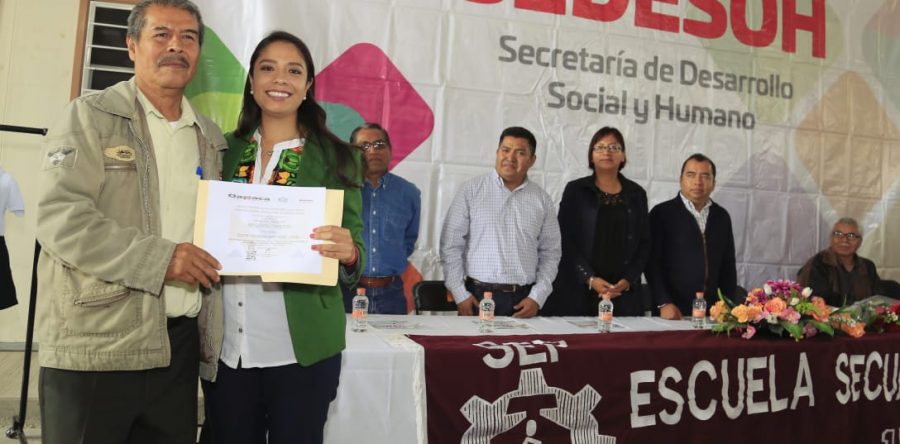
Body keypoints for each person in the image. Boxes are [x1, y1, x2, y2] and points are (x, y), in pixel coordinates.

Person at [35, 1, 225, 442]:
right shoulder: (89, 116)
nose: (176, 46)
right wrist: (162, 259)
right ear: (132, 46)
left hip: (176, 349)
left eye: (188, 37)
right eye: (161, 35)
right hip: (96, 345)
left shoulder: (209, 137)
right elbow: (61, 217)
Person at [200, 31, 364, 444]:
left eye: (294, 71)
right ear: (252, 81)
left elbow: (356, 252)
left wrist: (349, 254)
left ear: (308, 85)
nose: (280, 79)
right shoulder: (219, 149)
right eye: (267, 68)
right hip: (229, 348)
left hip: (302, 351)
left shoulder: (339, 158)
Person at [440, 126, 561, 318]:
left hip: (524, 300)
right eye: (505, 150)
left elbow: (551, 252)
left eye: (520, 153)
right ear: (497, 153)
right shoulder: (471, 190)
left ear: (532, 160)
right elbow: (451, 245)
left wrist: (537, 297)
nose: (510, 158)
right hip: (476, 296)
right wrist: (460, 293)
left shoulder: (542, 199)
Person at [543, 127, 650, 317]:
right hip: (578, 289)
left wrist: (628, 280)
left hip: (622, 292)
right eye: (600, 147)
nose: (607, 152)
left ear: (623, 156)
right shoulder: (576, 190)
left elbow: (644, 242)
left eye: (614, 147)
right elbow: (565, 238)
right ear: (591, 156)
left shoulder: (636, 194)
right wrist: (589, 278)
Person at [646, 153, 737, 320]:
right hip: (672, 311)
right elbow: (652, 263)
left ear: (713, 183)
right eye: (691, 175)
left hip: (713, 312)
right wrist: (663, 302)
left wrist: (728, 304)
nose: (698, 182)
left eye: (705, 176)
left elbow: (728, 266)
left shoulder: (721, 216)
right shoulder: (661, 214)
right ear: (681, 179)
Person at [342, 123, 420, 314]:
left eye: (379, 145)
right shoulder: (342, 189)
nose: (373, 151)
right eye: (364, 146)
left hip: (392, 294)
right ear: (352, 152)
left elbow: (408, 241)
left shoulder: (409, 193)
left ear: (390, 150)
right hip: (347, 290)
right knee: (347, 335)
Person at [798, 217, 883, 307]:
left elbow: (878, 300)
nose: (844, 240)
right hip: (827, 315)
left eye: (851, 235)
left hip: (863, 315)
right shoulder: (818, 264)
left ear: (860, 241)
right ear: (831, 238)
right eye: (838, 234)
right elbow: (813, 303)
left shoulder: (868, 266)